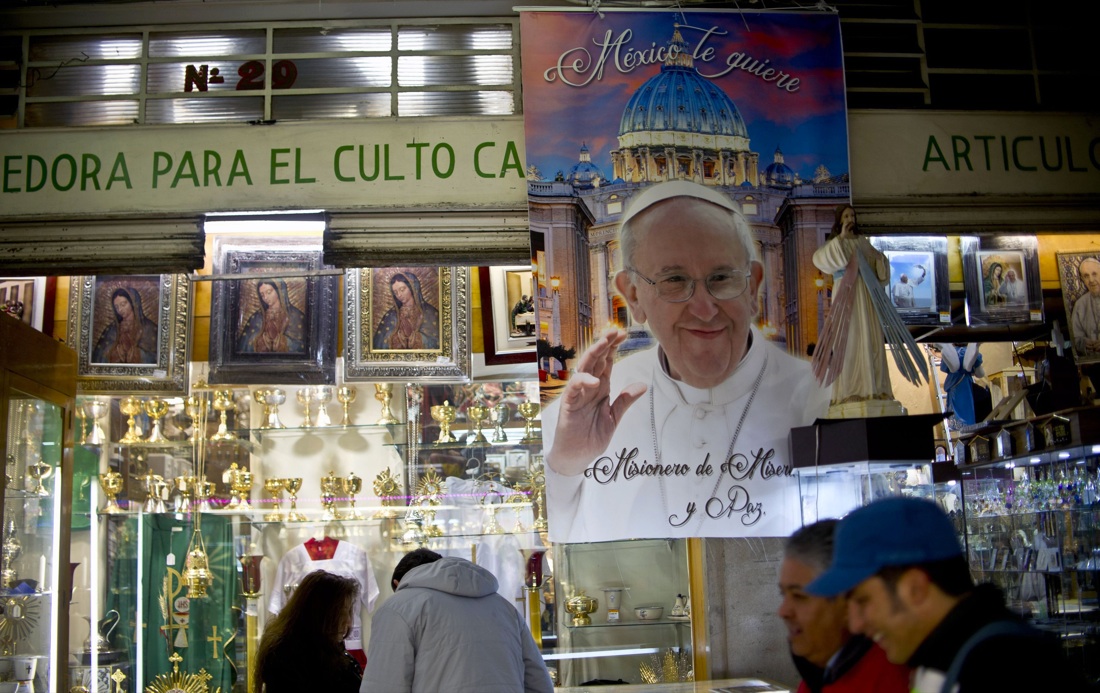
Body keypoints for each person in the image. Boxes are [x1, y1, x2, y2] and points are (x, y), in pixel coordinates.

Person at [542, 180, 830, 543]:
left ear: (753, 286)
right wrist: (566, 465)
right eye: (674, 281)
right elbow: (552, 543)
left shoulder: (823, 399)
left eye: (721, 278)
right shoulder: (573, 419)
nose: (705, 309)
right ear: (633, 296)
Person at [805, 496, 1086, 693]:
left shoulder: (1003, 671)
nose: (855, 624)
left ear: (915, 588)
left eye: (863, 600)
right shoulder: (941, 658)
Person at [360, 548, 553, 693]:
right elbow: (538, 682)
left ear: (398, 583)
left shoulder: (398, 608)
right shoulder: (504, 607)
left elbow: (383, 685)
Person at [779, 519, 909, 693]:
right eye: (783, 594)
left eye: (799, 596)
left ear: (848, 600)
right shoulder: (819, 675)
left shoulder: (886, 678)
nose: (783, 611)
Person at [256, 570, 362, 693]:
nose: (348, 622)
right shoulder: (288, 658)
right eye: (341, 613)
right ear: (319, 614)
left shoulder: (329, 650)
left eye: (349, 612)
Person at [372, 271, 440, 350]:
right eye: (395, 292)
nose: (399, 295)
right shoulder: (390, 315)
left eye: (402, 289)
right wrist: (399, 337)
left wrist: (415, 336)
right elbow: (379, 343)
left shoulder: (430, 313)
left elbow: (437, 342)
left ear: (412, 288)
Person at [236, 278, 306, 353]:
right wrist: (260, 340)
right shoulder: (257, 317)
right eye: (262, 295)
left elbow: (303, 346)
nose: (265, 298)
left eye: (269, 292)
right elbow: (244, 345)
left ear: (279, 291)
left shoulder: (296, 316)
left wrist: (283, 341)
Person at [92, 287, 158, 364]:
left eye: (123, 304)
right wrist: (114, 352)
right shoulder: (111, 329)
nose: (120, 310)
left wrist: (137, 353)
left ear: (133, 303)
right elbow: (99, 357)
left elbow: (157, 358)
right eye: (116, 307)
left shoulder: (149, 328)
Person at [1071, 257, 1100, 356]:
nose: (1091, 280)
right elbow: (1075, 338)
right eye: (1086, 276)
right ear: (1082, 279)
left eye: (1094, 274)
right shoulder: (1080, 304)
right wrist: (1083, 343)